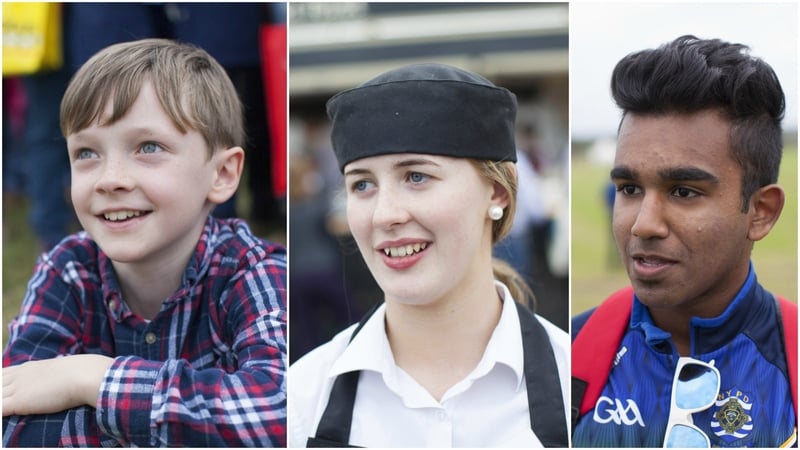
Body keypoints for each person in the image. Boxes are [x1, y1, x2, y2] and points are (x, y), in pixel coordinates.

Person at [2, 39, 287, 447]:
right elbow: (15, 423)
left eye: (148, 147)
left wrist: (92, 378)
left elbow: (278, 413)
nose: (109, 179)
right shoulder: (67, 270)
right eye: (87, 153)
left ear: (222, 174)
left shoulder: (255, 271)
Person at [288, 63, 570, 448]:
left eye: (416, 177)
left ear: (497, 191)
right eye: (363, 184)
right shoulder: (301, 400)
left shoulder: (580, 385)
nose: (385, 215)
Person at [571, 35, 797, 447]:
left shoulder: (790, 362)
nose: (643, 225)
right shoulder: (567, 355)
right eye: (629, 188)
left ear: (761, 212)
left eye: (684, 192)